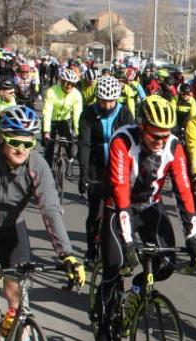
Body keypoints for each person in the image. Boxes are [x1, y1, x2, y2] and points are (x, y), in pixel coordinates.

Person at [0, 106, 85, 335]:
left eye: (28, 144)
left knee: (19, 299)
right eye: (14, 142)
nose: (21, 149)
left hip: (11, 223)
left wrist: (68, 255)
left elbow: (51, 209)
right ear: (0, 138)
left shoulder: (37, 164)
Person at [94, 95, 196, 341]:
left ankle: (140, 287)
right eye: (155, 136)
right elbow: (120, 194)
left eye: (166, 136)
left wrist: (193, 236)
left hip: (150, 206)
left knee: (166, 263)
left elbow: (184, 190)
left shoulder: (174, 147)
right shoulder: (123, 140)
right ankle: (105, 328)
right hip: (117, 208)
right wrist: (129, 242)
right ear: (142, 127)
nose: (161, 142)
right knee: (114, 266)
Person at [77, 76, 134, 264]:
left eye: (111, 101)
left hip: (120, 167)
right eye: (103, 100)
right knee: (95, 213)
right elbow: (84, 144)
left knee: (122, 208)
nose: (107, 105)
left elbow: (133, 144)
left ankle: (123, 245)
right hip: (96, 166)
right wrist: (83, 174)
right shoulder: (88, 114)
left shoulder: (124, 113)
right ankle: (91, 250)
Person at [42, 67, 83, 169]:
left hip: (65, 119)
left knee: (69, 141)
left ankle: (69, 159)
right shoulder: (52, 91)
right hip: (51, 119)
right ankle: (48, 169)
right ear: (61, 81)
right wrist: (46, 131)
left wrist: (78, 132)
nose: (69, 86)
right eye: (66, 83)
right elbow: (47, 111)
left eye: (72, 84)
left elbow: (77, 115)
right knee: (49, 147)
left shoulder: (76, 95)